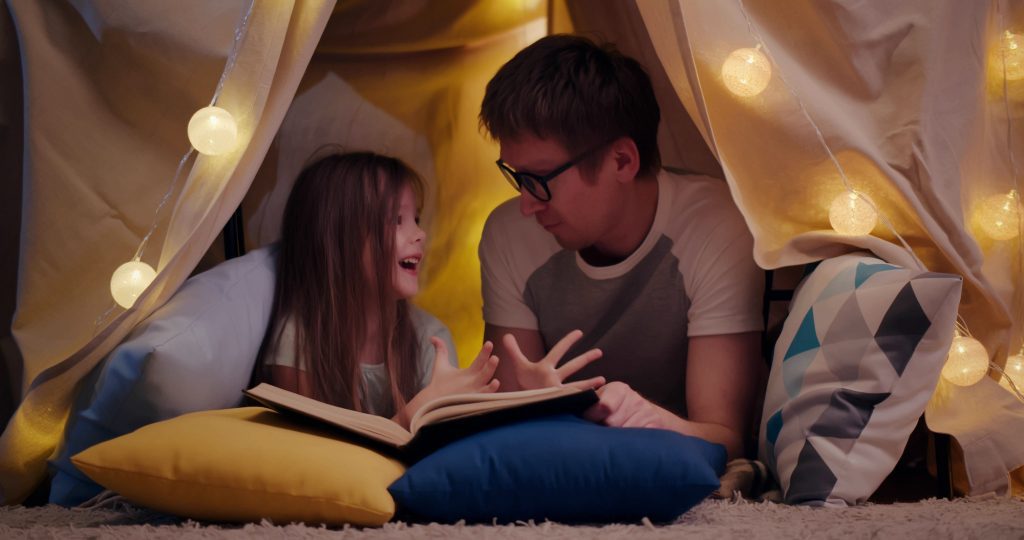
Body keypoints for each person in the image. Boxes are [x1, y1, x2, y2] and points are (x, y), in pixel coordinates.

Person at [478, 35, 765, 460]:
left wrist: (648, 418)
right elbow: (508, 418)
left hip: (671, 461)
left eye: (539, 178)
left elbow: (725, 438)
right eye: (516, 176)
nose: (526, 203)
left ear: (622, 162)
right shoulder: (509, 234)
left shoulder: (714, 225)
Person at [256, 151, 503, 428]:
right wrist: (413, 413)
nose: (420, 234)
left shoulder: (430, 339)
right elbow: (318, 461)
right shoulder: (298, 341)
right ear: (338, 241)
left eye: (416, 219)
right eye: (397, 220)